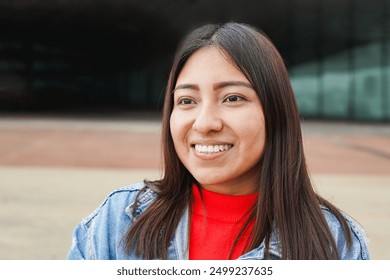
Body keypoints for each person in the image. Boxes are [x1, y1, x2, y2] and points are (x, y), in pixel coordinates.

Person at [67, 22, 370, 260]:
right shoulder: (118, 221)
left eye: (233, 97)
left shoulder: (336, 245)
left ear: (276, 110)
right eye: (186, 100)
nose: (205, 123)